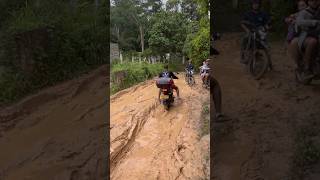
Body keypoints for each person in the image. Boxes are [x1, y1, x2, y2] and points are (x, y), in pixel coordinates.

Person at [289, 0, 320, 80]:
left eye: (316, 0)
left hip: (317, 34)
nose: (315, 2)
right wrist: (314, 22)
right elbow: (299, 22)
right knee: (313, 42)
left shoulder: (318, 11)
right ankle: (307, 68)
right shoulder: (304, 12)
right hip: (305, 35)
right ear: (308, 2)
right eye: (312, 0)